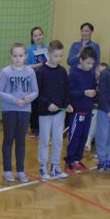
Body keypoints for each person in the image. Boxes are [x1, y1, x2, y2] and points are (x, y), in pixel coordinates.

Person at [0, 43, 38, 182]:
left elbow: (35, 91)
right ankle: (7, 170)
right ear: (11, 56)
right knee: (8, 139)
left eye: (20, 55)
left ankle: (20, 171)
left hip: (25, 111)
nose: (18, 58)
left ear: (26, 56)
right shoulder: (5, 72)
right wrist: (15, 100)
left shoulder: (30, 72)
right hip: (9, 110)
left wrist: (29, 98)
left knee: (21, 141)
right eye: (15, 56)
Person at [35, 40, 72, 179]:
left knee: (58, 139)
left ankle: (55, 166)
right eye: (56, 56)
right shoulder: (41, 72)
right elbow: (37, 93)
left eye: (60, 56)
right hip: (45, 112)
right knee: (45, 139)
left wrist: (67, 104)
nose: (58, 58)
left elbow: (66, 90)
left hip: (60, 112)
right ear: (48, 53)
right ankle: (43, 166)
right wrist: (48, 104)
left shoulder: (62, 71)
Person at [64, 47, 97, 173]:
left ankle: (77, 160)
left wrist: (94, 92)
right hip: (76, 111)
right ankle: (69, 161)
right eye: (88, 63)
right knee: (74, 137)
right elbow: (69, 92)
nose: (90, 66)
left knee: (83, 137)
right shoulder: (74, 73)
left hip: (88, 110)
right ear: (81, 60)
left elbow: (94, 88)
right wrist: (83, 92)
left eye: (92, 64)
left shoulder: (91, 74)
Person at [27, 26, 48, 138]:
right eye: (35, 35)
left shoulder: (48, 48)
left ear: (43, 35)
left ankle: (43, 128)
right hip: (33, 80)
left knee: (43, 103)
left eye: (40, 34)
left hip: (45, 80)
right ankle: (34, 128)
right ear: (32, 38)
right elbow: (25, 66)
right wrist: (38, 65)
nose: (38, 37)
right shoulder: (29, 50)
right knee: (34, 105)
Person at [84, 62, 109, 152]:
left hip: (102, 108)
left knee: (96, 114)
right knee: (94, 113)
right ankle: (87, 139)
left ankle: (89, 139)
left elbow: (107, 99)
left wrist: (100, 105)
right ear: (96, 71)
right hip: (89, 106)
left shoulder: (108, 85)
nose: (100, 74)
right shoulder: (91, 82)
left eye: (103, 72)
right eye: (99, 71)